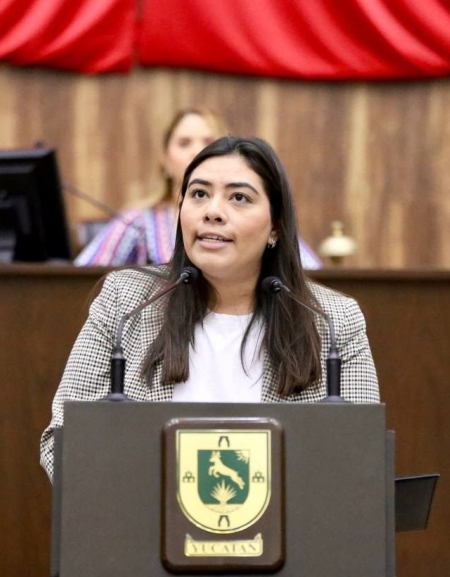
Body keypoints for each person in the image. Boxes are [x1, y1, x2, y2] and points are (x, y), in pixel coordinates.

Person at [40, 136, 379, 480]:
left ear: (275, 227)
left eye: (239, 198)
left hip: (287, 517)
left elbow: (360, 459)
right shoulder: (126, 302)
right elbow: (62, 440)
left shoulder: (333, 320)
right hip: (142, 515)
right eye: (199, 194)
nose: (212, 211)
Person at [73, 106, 324, 269]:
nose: (196, 151)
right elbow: (76, 282)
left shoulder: (257, 220)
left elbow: (313, 276)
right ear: (165, 160)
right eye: (184, 143)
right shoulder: (137, 224)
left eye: (208, 142)